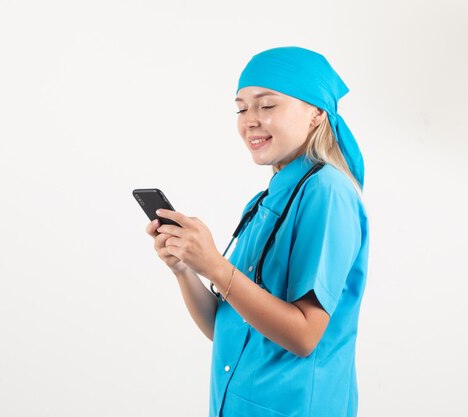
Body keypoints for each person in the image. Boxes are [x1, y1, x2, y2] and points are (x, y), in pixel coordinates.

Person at [145, 46, 369, 417]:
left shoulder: (327, 192)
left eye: (266, 106)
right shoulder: (265, 201)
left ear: (316, 114)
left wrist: (216, 266)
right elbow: (229, 328)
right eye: (241, 107)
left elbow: (304, 335)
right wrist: (184, 268)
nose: (249, 120)